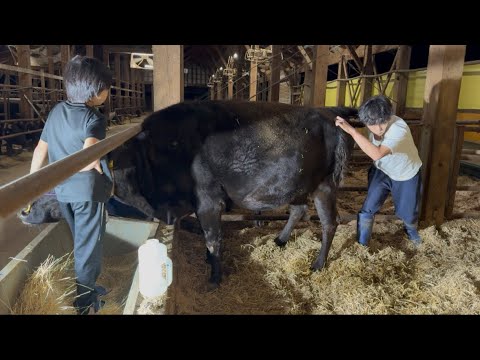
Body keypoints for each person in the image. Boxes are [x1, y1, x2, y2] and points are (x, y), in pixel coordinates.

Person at [29, 55, 113, 314]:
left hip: (64, 192)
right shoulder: (95, 119)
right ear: (95, 91)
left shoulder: (56, 112)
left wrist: (34, 187)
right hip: (88, 194)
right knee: (89, 247)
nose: (107, 92)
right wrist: (95, 162)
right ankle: (86, 303)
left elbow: (39, 151)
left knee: (81, 241)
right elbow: (85, 158)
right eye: (106, 87)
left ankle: (87, 287)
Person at [335, 94, 422, 247]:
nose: (379, 128)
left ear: (389, 116)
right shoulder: (372, 121)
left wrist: (353, 132)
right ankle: (362, 243)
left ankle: (411, 231)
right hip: (382, 170)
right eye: (373, 124)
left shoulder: (398, 128)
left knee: (407, 213)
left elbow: (376, 154)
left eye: (383, 122)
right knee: (368, 207)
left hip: (405, 174)